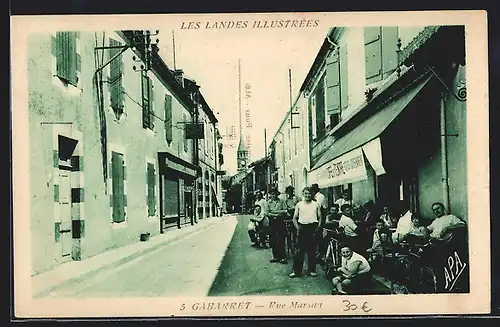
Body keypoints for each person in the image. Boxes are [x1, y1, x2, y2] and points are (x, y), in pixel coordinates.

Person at [289, 187, 322, 278]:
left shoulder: (316, 204)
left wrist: (318, 226)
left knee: (312, 251)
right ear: (303, 194)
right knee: (299, 251)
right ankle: (296, 271)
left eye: (309, 193)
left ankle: (311, 270)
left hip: (313, 228)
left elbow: (320, 217)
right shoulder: (299, 204)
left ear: (312, 194)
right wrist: (298, 228)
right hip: (302, 228)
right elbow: (294, 218)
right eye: (306, 193)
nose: (308, 195)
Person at [266, 188, 288, 264]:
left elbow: (285, 210)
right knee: (273, 239)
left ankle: (282, 257)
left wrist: (274, 212)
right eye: (272, 194)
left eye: (275, 194)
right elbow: (267, 213)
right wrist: (276, 214)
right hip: (272, 222)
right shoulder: (268, 203)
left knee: (281, 239)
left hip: (280, 221)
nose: (274, 195)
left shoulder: (281, 201)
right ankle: (275, 257)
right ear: (270, 195)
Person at [283, 186, 300, 253]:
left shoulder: (297, 198)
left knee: (296, 233)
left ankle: (296, 246)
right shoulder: (286, 200)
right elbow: (285, 208)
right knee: (288, 234)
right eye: (288, 192)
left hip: (297, 217)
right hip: (289, 217)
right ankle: (290, 247)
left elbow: (299, 206)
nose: (289, 193)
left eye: (291, 191)